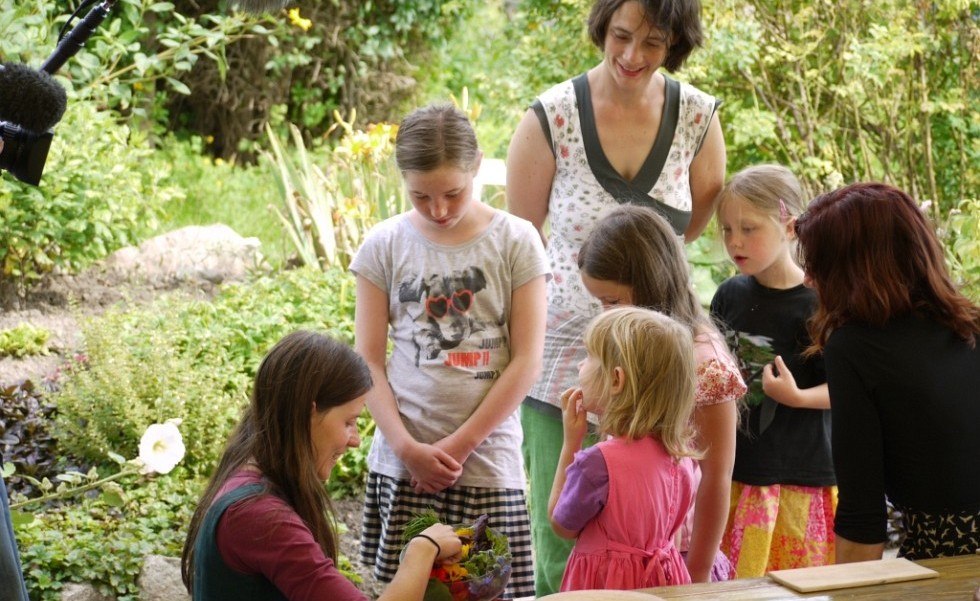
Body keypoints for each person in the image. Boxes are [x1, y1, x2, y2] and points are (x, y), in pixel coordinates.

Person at [506, 0, 725, 591]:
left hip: (662, 366)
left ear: (675, 43)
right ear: (602, 26)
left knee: (652, 533)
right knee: (564, 535)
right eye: (621, 36)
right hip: (570, 362)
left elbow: (695, 221)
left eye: (653, 43)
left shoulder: (698, 118)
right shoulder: (552, 117)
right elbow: (522, 241)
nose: (632, 56)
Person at [352, 103, 549, 599]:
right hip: (403, 469)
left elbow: (527, 359)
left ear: (478, 165)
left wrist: (458, 447)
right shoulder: (383, 244)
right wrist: (406, 450)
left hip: (487, 464)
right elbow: (367, 360)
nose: (439, 209)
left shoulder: (516, 240)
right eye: (420, 196)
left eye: (453, 193)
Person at [180, 330, 463, 600]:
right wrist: (423, 548)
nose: (354, 441)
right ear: (309, 411)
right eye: (348, 422)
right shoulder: (258, 516)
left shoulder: (245, 477)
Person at [794, 182, 980, 562]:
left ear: (853, 268)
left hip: (949, 560)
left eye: (818, 264)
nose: (808, 279)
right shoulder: (972, 325)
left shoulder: (855, 348)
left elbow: (862, 515)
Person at [576, 204, 745, 582]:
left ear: (652, 282)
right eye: (599, 303)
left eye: (613, 302)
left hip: (676, 559)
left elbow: (716, 477)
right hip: (623, 556)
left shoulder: (704, 363)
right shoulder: (629, 348)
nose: (605, 314)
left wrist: (697, 574)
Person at [710, 165, 836, 577]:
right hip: (736, 473)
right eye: (727, 229)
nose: (734, 241)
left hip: (800, 477)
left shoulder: (821, 303)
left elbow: (850, 388)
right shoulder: (728, 295)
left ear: (790, 227)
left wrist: (798, 397)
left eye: (748, 228)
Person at [548, 307, 701, 590]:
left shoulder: (598, 463)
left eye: (589, 357)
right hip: (663, 584)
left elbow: (562, 525)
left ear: (616, 380)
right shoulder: (681, 457)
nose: (580, 366)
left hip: (606, 589)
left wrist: (571, 443)